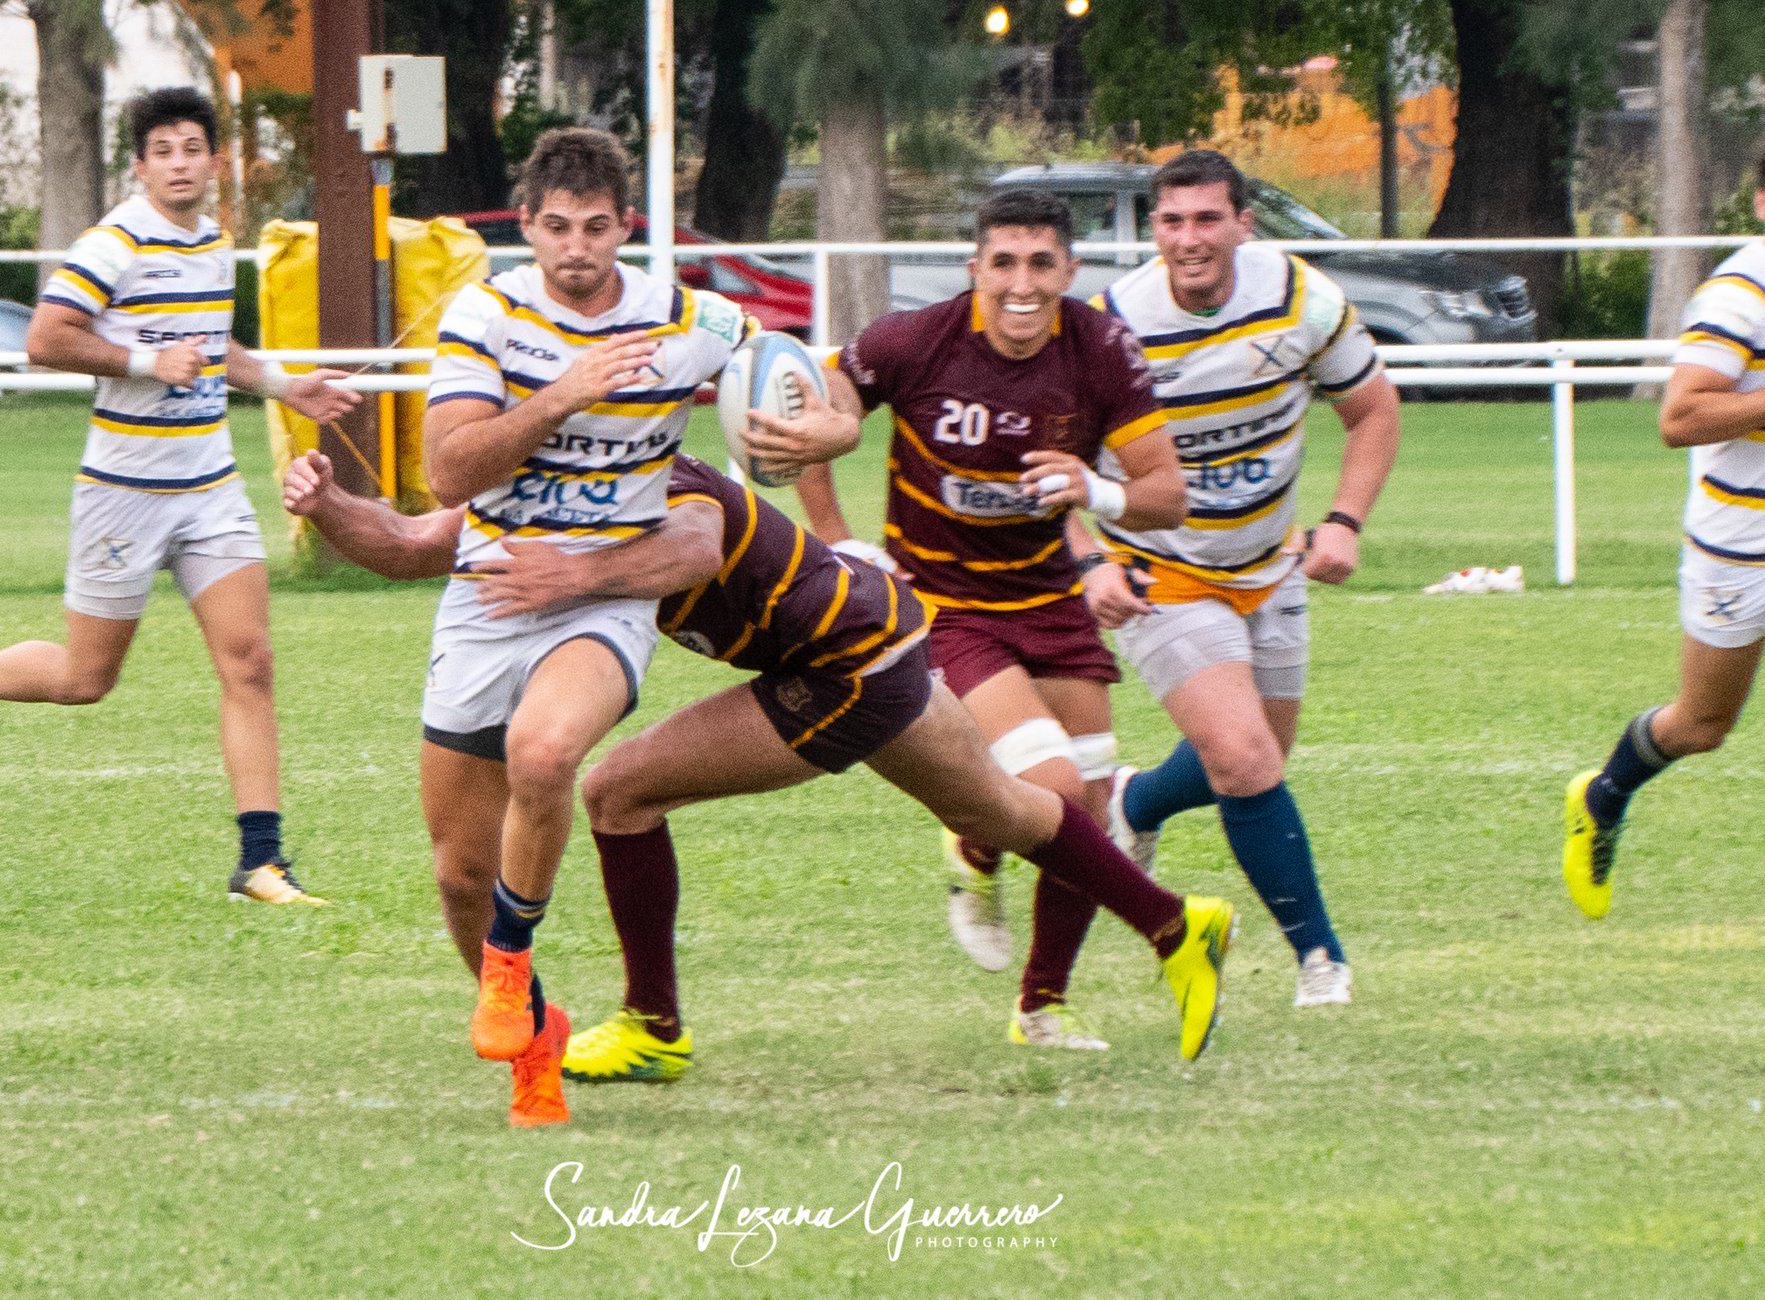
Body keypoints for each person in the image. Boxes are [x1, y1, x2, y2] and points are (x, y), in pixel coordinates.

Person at [281, 447, 1236, 1082]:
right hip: (878, 647)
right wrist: (325, 503)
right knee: (1007, 814)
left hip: (850, 669)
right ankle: (1172, 926)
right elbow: (410, 544)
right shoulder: (539, 497)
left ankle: (654, 1029)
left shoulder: (665, 486)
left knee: (616, 791)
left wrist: (576, 578)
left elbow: (692, 548)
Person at [0, 87, 359, 904]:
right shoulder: (114, 244)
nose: (180, 164)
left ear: (214, 161)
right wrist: (148, 363)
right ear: (141, 166)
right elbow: (45, 338)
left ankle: (261, 861)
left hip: (208, 486)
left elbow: (216, 347)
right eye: (163, 151)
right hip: (124, 494)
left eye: (193, 149)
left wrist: (288, 386)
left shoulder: (215, 241)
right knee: (86, 678)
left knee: (250, 662)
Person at [769, 189, 1187, 1050]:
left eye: (1041, 264)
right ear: (974, 270)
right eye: (1003, 262)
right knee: (1056, 789)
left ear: (1071, 272)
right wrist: (840, 542)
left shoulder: (1102, 348)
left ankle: (1041, 1004)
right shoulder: (912, 342)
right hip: (944, 606)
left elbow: (1165, 496)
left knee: (1096, 801)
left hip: (1051, 603)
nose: (1021, 283)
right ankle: (984, 851)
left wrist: (1095, 489)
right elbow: (814, 411)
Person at [416, 127, 751, 1125]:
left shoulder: (685, 318)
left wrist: (811, 462)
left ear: (624, 228)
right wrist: (563, 392)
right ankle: (536, 1032)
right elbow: (447, 472)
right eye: (555, 227)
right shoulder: (487, 315)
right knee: (460, 876)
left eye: (595, 228)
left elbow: (796, 387)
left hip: (603, 596)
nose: (575, 247)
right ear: (526, 227)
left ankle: (510, 968)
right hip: (491, 594)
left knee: (547, 750)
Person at [1085, 149, 1401, 1007]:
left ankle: (1135, 803)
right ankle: (1320, 961)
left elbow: (1371, 408)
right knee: (1244, 757)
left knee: (1254, 758)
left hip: (1270, 562)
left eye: (1206, 219)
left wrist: (1343, 521)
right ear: (1153, 229)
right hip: (1161, 570)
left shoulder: (1301, 298)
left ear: (1242, 222)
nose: (1188, 239)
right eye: (1171, 221)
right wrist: (1090, 560)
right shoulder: (1113, 324)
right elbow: (1051, 464)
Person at [1562, 159, 1765, 919]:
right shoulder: (1739, 295)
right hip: (1738, 544)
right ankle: (1603, 795)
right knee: (1702, 725)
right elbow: (1678, 418)